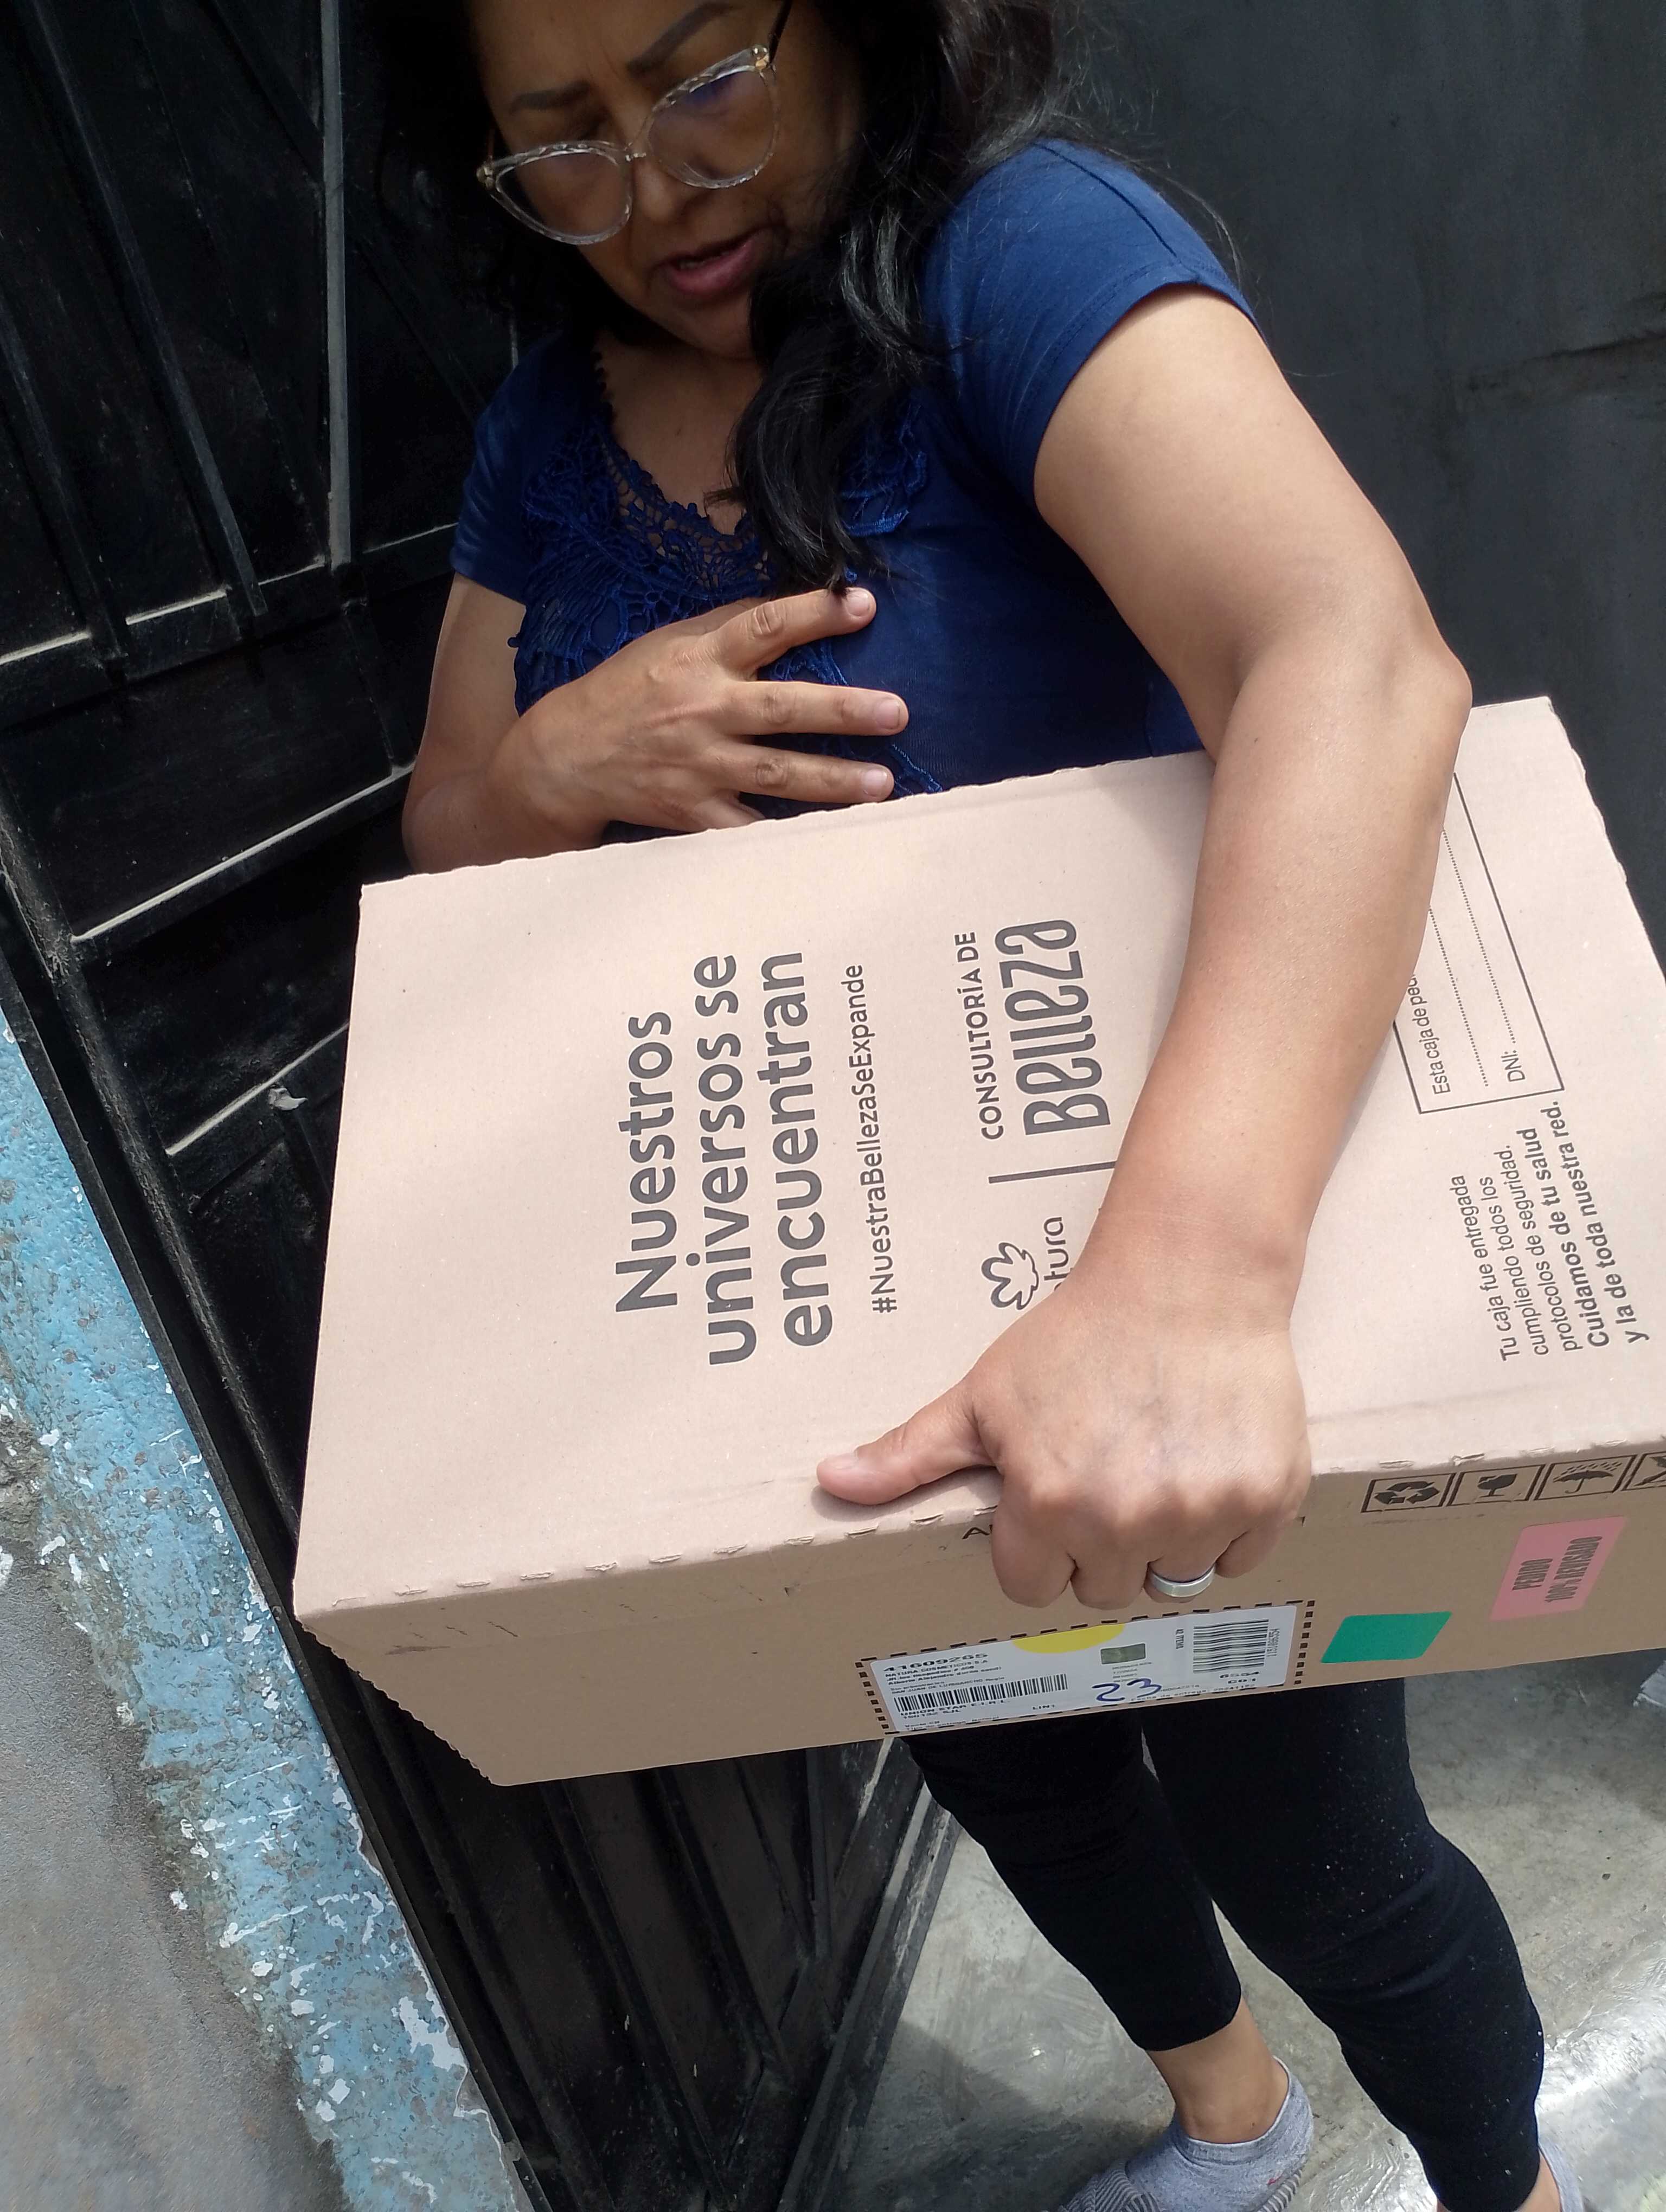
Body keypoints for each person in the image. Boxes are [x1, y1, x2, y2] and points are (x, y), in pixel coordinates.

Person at [382, 3, 1586, 2206]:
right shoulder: (546, 422)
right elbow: (447, 836)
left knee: (1317, 1861)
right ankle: (1232, 2120)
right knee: (1025, 1789)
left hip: (1154, 1307)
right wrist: (559, 765)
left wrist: (1190, 1280)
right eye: (560, 139)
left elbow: (1346, 654)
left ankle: (1502, 2189)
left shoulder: (1016, 259)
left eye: (703, 77)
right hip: (821, 1342)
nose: (655, 191)